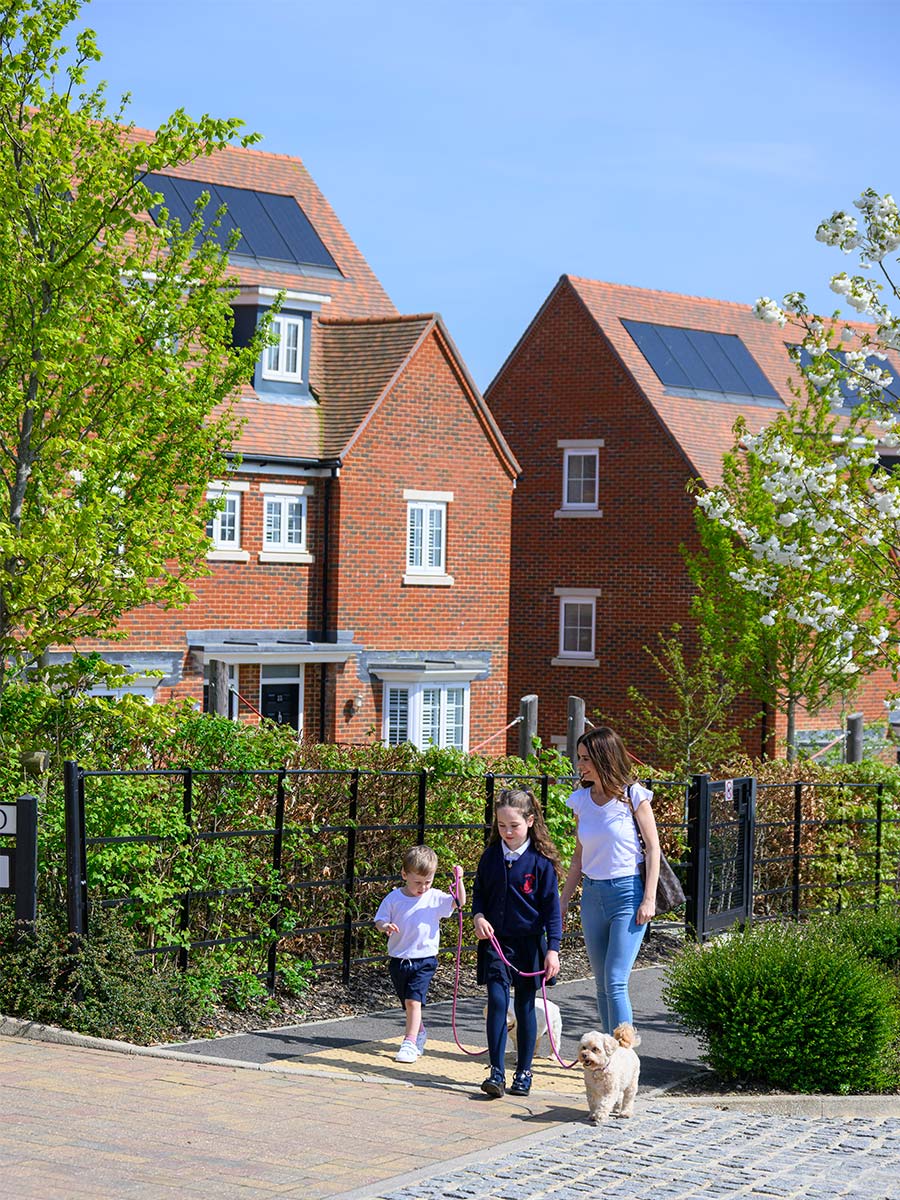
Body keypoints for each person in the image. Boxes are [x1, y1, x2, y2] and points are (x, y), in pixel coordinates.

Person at [560, 726, 661, 1035]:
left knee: (616, 980)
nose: (580, 765)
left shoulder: (633, 796)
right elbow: (578, 858)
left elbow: (654, 848)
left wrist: (649, 898)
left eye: (587, 758)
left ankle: (624, 1056)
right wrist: (562, 902)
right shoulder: (581, 801)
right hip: (592, 895)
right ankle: (608, 1051)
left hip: (628, 894)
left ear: (605, 758)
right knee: (602, 981)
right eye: (579, 758)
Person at [472, 787, 562, 1098]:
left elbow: (552, 910)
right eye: (501, 826)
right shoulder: (491, 857)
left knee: (524, 1006)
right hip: (496, 942)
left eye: (514, 826)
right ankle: (496, 1071)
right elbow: (480, 893)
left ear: (530, 822)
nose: (507, 832)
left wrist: (553, 950)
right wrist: (478, 916)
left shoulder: (540, 863)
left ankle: (524, 1071)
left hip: (529, 945)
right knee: (497, 1001)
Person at [374, 844, 465, 1063]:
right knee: (407, 1003)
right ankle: (419, 1032)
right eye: (417, 882)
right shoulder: (394, 898)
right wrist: (385, 927)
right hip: (399, 960)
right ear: (404, 874)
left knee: (414, 1002)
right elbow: (379, 920)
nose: (423, 887)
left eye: (428, 882)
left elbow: (459, 902)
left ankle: (409, 1042)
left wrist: (459, 880)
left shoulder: (433, 897)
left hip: (424, 959)